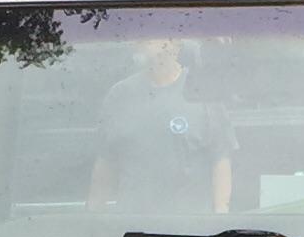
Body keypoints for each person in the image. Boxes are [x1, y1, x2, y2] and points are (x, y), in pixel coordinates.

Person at [90, 35, 234, 221]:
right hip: (130, 230)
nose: (148, 46)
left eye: (155, 40)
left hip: (191, 230)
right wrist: (93, 219)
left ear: (176, 44)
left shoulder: (202, 91)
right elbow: (105, 163)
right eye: (144, 39)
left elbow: (221, 159)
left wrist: (220, 215)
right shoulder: (120, 95)